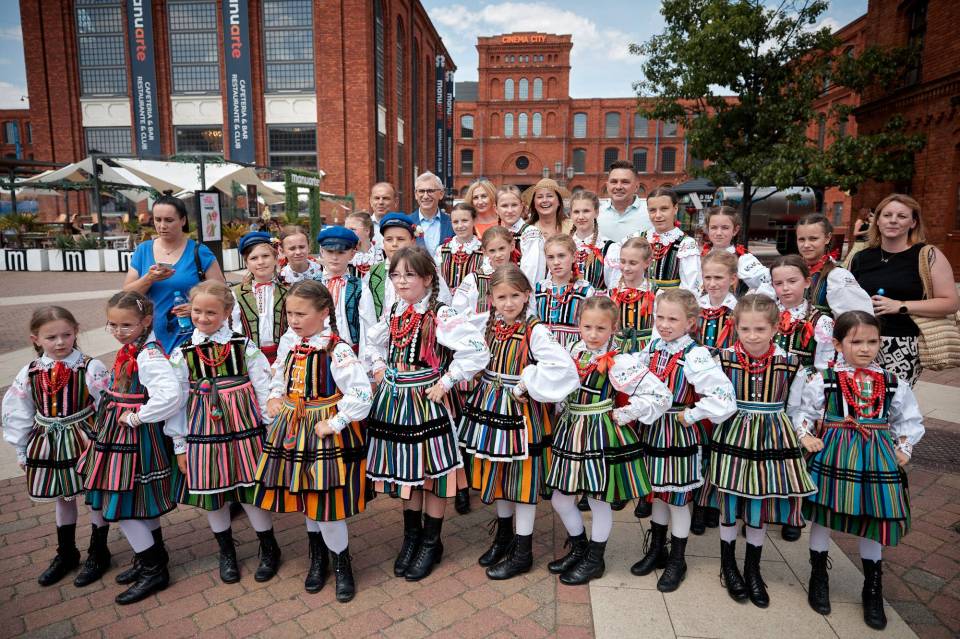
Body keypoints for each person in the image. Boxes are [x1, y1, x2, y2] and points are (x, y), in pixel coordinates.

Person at [789, 311, 924, 630]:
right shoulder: (824, 379)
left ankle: (872, 586)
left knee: (873, 517)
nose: (865, 348)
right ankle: (818, 575)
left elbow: (908, 419)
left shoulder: (892, 382)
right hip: (834, 453)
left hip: (875, 456)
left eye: (872, 341)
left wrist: (904, 447)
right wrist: (805, 435)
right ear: (838, 344)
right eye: (856, 341)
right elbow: (805, 412)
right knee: (824, 514)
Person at [365, 247, 489, 581]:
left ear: (427, 278)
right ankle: (412, 538)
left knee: (432, 474)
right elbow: (373, 343)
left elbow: (478, 349)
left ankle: (431, 542)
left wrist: (447, 380)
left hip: (426, 402)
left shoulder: (440, 313)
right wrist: (378, 367)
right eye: (396, 275)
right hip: (396, 402)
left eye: (409, 275)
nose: (401, 281)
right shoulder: (395, 310)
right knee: (409, 472)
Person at [253, 281, 373, 601]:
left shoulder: (337, 348)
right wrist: (275, 396)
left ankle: (341, 565)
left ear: (323, 313)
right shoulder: (290, 342)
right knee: (307, 494)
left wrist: (335, 422)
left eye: (301, 314)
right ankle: (317, 559)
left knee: (326, 502)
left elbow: (361, 393)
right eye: (290, 314)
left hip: (323, 430)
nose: (293, 320)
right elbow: (279, 373)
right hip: (294, 426)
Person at [458, 264, 579, 580]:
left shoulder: (534, 329)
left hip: (520, 413)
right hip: (490, 406)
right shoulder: (490, 324)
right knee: (499, 473)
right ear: (492, 299)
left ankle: (523, 551)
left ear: (526, 295)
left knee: (522, 480)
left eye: (514, 296)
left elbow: (563, 367)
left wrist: (526, 383)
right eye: (501, 297)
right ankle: (504, 537)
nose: (508, 303)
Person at [547, 296, 671, 586]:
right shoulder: (573, 350)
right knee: (560, 497)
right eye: (587, 326)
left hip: (599, 433)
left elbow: (660, 394)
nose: (592, 334)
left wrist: (626, 413)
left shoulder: (619, 361)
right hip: (570, 430)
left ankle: (595, 560)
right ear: (578, 325)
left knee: (598, 499)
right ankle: (580, 548)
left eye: (600, 328)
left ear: (613, 328)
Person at [168, 281, 280, 585]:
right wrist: (180, 444)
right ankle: (226, 551)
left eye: (211, 312)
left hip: (244, 428)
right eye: (197, 311)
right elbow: (177, 401)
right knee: (213, 492)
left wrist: (269, 428)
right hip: (203, 431)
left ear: (227, 312)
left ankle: (269, 548)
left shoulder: (243, 346)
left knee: (250, 490)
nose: (202, 318)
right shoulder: (183, 352)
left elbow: (262, 388)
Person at [710, 294, 815, 608]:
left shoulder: (791, 363)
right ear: (736, 327)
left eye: (760, 329)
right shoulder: (722, 359)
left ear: (775, 328)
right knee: (730, 502)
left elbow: (795, 408)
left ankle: (752, 569)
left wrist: (803, 433)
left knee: (759, 502)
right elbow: (713, 399)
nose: (752, 336)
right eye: (745, 329)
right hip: (733, 435)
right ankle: (728, 565)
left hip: (772, 437)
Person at [629, 289, 735, 593]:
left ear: (690, 322)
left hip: (677, 432)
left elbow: (724, 396)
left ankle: (677, 559)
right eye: (660, 317)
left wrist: (693, 414)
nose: (664, 324)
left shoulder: (695, 354)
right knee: (658, 493)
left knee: (677, 499)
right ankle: (657, 549)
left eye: (672, 319)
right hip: (653, 429)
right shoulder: (653, 347)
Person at [85, 292, 185, 604]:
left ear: (146, 321)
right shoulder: (134, 348)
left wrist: (138, 416)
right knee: (139, 500)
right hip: (122, 433)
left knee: (123, 503)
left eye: (126, 325)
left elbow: (170, 395)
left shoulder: (148, 355)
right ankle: (151, 558)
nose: (118, 331)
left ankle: (154, 569)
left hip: (134, 436)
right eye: (112, 325)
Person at [2, 306, 109, 587]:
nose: (60, 342)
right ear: (35, 339)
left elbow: (106, 405)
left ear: (76, 332)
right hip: (48, 441)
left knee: (94, 493)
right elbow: (18, 410)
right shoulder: (30, 372)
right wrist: (21, 448)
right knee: (62, 495)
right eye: (51, 337)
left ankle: (99, 552)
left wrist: (106, 442)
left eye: (66, 335)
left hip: (85, 438)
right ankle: (67, 553)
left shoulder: (89, 367)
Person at [851, 193, 960, 386]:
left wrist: (901, 305)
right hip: (859, 341)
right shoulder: (862, 257)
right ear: (877, 221)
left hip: (902, 345)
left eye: (901, 216)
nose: (893, 220)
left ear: (913, 223)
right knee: (856, 400)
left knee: (890, 401)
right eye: (887, 215)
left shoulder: (927, 255)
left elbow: (950, 303)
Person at [123, 195, 225, 353]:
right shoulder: (143, 250)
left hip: (193, 338)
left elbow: (222, 293)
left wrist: (197, 309)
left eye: (169, 220)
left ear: (183, 220)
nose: (162, 226)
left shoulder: (199, 251)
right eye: (157, 220)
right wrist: (149, 278)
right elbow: (127, 295)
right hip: (151, 339)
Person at [795, 214, 873, 318]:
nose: (806, 245)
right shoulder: (790, 271)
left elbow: (859, 318)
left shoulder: (837, 276)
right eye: (801, 239)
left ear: (827, 238)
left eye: (813, 239)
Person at [770, 255, 836, 371]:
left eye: (792, 281)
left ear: (807, 282)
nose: (785, 288)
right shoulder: (764, 315)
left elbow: (824, 367)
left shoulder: (821, 322)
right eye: (778, 283)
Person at [231, 232, 287, 365]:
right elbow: (235, 328)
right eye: (254, 258)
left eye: (265, 256)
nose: (260, 262)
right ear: (246, 263)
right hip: (249, 358)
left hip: (282, 356)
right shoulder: (237, 293)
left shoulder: (287, 292)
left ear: (275, 258)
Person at [534, 234, 596, 349]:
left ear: (573, 257)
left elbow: (592, 325)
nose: (556, 262)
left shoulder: (585, 291)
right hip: (543, 350)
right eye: (550, 257)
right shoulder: (539, 289)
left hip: (573, 350)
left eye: (561, 256)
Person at [452, 225, 515, 332]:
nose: (498, 255)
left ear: (512, 246)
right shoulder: (473, 280)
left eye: (502, 249)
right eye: (492, 251)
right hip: (479, 337)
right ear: (484, 252)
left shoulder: (519, 277)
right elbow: (457, 312)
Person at [700, 206, 771, 297]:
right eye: (714, 227)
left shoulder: (742, 259)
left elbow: (770, 280)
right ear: (708, 229)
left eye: (725, 228)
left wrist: (751, 300)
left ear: (735, 230)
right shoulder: (699, 256)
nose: (718, 233)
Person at [642, 187, 701, 294]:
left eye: (664, 209)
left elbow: (690, 286)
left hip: (672, 301)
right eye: (652, 210)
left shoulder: (686, 243)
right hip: (642, 301)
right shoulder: (641, 238)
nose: (658, 215)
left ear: (675, 209)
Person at [609, 236, 657, 355]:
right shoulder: (613, 293)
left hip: (646, 352)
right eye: (622, 261)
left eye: (633, 263)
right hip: (618, 352)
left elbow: (658, 331)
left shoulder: (656, 294)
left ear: (647, 263)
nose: (626, 268)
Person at [570, 190, 621, 291]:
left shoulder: (609, 248)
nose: (581, 217)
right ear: (570, 214)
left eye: (586, 211)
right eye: (576, 212)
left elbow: (614, 287)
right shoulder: (562, 245)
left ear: (596, 212)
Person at [497, 184, 546, 286]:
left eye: (514, 205)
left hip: (522, 291)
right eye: (504, 206)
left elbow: (533, 271)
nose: (510, 210)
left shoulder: (530, 233)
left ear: (522, 206)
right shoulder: (496, 234)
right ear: (496, 209)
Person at [597, 160, 652, 242]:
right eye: (614, 182)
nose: (618, 187)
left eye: (625, 182)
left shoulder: (650, 213)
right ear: (607, 186)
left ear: (636, 187)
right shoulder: (596, 214)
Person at [435, 202, 484, 291]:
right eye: (455, 222)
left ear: (474, 220)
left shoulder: (483, 250)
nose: (460, 226)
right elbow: (437, 281)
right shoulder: (441, 250)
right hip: (446, 299)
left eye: (465, 220)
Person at [697, 250, 739, 352]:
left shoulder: (739, 310)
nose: (712, 284)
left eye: (718, 278)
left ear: (732, 279)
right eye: (707, 278)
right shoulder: (695, 307)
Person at [412, 172, 454, 255]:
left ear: (441, 194)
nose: (425, 196)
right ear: (416, 195)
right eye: (421, 191)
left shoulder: (452, 223)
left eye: (430, 191)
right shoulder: (406, 223)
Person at [345, 211, 384, 281]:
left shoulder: (383, 255)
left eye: (352, 229)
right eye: (346, 230)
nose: (347, 233)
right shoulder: (342, 255)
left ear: (367, 230)